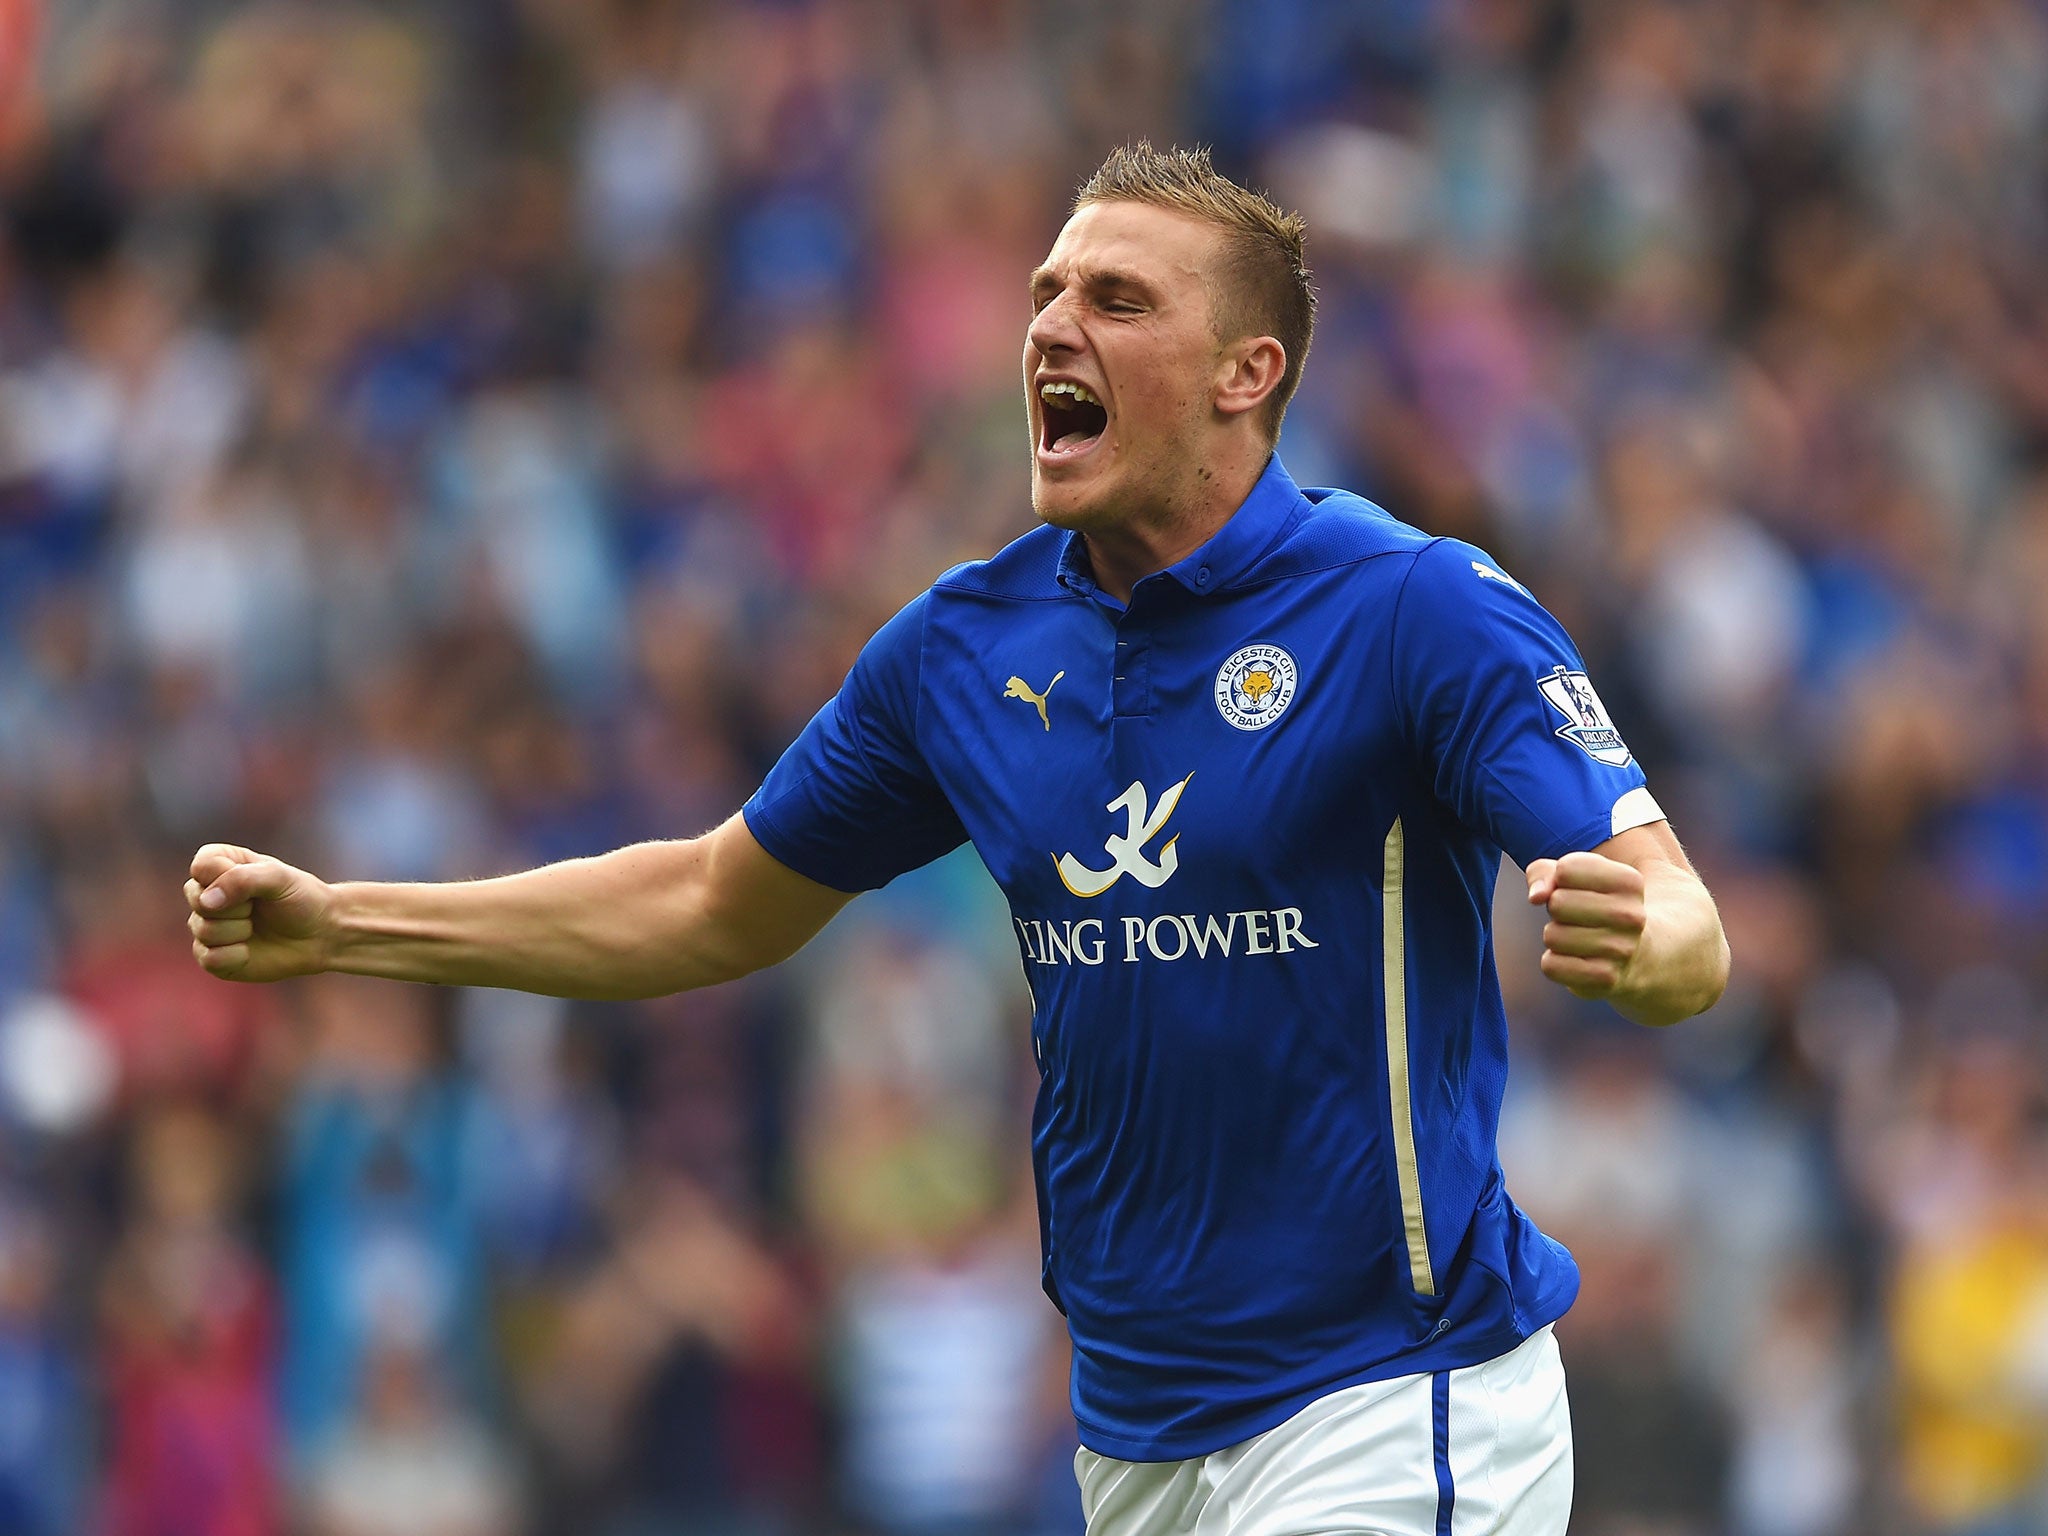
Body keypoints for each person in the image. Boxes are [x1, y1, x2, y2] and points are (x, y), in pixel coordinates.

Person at [186, 143, 1730, 1536]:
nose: (1054, 327)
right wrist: (345, 928)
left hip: (1396, 1399)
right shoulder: (962, 650)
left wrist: (1644, 951)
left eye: (1118, 300)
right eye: (1047, 292)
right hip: (1135, 1440)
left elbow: (1684, 922)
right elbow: (715, 900)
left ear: (1245, 372)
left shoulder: (1412, 609)